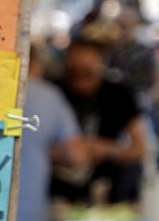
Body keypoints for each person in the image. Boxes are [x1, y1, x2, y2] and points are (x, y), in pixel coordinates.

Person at [10, 45, 82, 221]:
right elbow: (75, 155)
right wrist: (48, 151)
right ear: (36, 65)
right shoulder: (48, 96)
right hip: (29, 213)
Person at [54, 36, 152, 206]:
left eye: (88, 72)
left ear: (101, 66)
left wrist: (107, 149)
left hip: (107, 192)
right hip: (59, 192)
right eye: (74, 72)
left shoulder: (118, 95)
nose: (81, 79)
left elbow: (140, 148)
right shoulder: (54, 93)